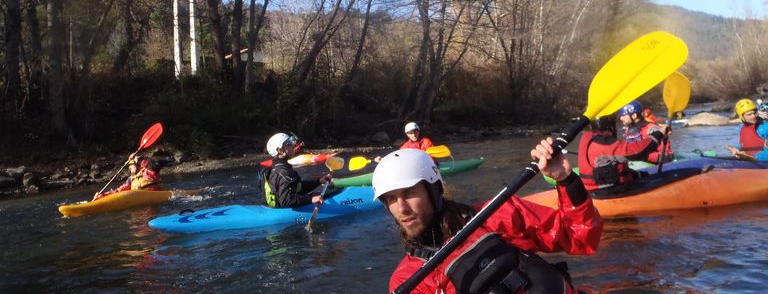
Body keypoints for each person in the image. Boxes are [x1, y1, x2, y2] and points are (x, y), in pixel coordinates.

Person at [372, 141, 602, 294]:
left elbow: (581, 237)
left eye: (409, 193)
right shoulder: (407, 281)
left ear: (434, 191)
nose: (401, 208)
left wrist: (566, 179)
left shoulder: (498, 214)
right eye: (391, 199)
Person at [577, 113, 667, 192]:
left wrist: (636, 175)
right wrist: (659, 134)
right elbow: (637, 152)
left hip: (595, 189)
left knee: (641, 176)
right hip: (608, 192)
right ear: (609, 126)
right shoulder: (604, 143)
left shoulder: (587, 137)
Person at [262, 132, 332, 208]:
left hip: (278, 206)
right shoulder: (284, 173)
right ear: (280, 151)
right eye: (288, 144)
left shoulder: (277, 168)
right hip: (284, 210)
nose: (293, 145)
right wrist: (310, 199)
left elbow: (298, 188)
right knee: (320, 195)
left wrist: (319, 181)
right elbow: (286, 201)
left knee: (321, 194)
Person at [94, 154, 162, 200]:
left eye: (131, 166)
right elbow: (118, 191)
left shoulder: (149, 171)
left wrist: (134, 159)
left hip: (153, 196)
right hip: (140, 201)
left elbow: (154, 166)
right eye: (130, 167)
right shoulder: (131, 179)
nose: (130, 169)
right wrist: (104, 195)